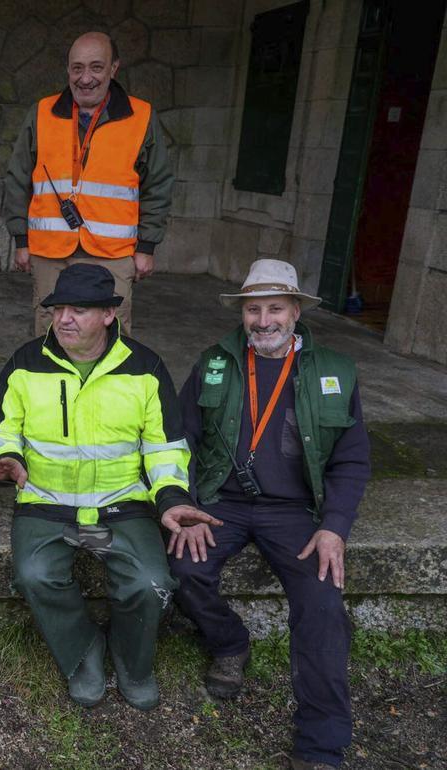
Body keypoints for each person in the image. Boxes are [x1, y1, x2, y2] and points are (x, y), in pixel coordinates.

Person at [0, 263, 216, 710]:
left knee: (150, 582)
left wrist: (171, 497)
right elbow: (0, 427)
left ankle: (132, 660)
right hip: (46, 504)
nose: (64, 318)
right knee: (34, 574)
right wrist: (7, 457)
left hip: (120, 505)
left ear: (109, 314)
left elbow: (165, 446)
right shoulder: (26, 362)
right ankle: (84, 652)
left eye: (79, 309)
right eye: (58, 308)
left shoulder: (145, 368)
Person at [170, 259, 370, 770]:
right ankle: (230, 642)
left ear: (296, 311)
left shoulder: (335, 370)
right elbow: (181, 440)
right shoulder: (213, 361)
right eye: (253, 309)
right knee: (184, 568)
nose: (263, 320)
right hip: (223, 501)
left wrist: (334, 528)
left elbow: (351, 459)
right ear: (242, 313)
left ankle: (320, 747)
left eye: (275, 308)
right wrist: (184, 502)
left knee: (323, 602)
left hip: (295, 511)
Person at [3, 31, 174, 337]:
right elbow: (17, 178)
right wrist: (20, 240)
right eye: (77, 68)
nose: (85, 78)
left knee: (112, 336)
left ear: (114, 69)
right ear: (67, 70)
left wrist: (146, 246)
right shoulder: (41, 113)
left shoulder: (141, 117)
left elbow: (158, 185)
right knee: (50, 334)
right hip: (49, 251)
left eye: (96, 67)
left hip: (113, 252)